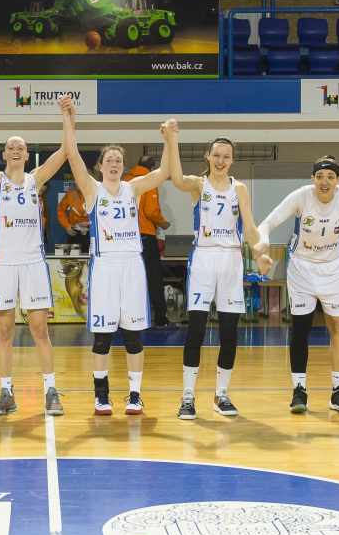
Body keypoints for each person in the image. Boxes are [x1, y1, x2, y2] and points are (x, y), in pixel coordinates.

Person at [256, 157, 339, 415]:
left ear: (338, 180)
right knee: (300, 329)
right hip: (302, 268)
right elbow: (267, 224)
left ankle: (338, 391)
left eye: (330, 177)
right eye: (319, 177)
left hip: (335, 268)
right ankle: (299, 390)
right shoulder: (301, 197)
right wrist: (263, 245)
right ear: (312, 179)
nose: (324, 182)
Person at [0, 90, 69, 417]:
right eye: (10, 147)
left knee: (39, 329)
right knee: (5, 331)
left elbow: (66, 151)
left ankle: (51, 390)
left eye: (20, 147)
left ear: (26, 155)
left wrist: (68, 116)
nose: (14, 150)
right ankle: (6, 392)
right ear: (4, 155)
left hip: (33, 263)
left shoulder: (35, 181)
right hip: (3, 264)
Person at [62, 109, 171, 416]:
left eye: (118, 160)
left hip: (132, 266)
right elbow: (72, 155)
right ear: (100, 166)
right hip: (105, 266)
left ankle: (135, 395)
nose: (114, 164)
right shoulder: (92, 190)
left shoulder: (132, 188)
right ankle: (101, 395)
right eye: (109, 160)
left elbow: (164, 172)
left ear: (123, 166)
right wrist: (69, 120)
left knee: (134, 336)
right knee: (103, 337)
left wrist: (170, 140)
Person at [164, 128, 269, 420]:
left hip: (231, 260)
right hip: (204, 259)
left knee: (229, 333)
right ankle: (187, 396)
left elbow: (250, 228)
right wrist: (172, 140)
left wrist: (259, 253)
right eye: (217, 155)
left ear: (232, 160)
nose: (221, 161)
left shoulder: (240, 189)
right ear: (208, 157)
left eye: (226, 156)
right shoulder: (199, 185)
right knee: (196, 330)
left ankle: (221, 395)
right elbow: (176, 178)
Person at [125, 153, 170, 326]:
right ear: (152, 168)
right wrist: (163, 223)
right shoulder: (148, 182)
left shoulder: (125, 180)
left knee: (130, 279)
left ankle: (129, 317)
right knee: (153, 277)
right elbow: (151, 211)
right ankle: (160, 317)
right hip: (145, 236)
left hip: (126, 238)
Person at [56, 183, 90, 253]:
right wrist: (67, 226)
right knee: (69, 257)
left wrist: (90, 226)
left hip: (91, 233)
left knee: (90, 256)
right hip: (74, 231)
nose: (78, 183)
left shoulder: (95, 193)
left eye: (80, 181)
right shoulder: (70, 194)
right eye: (76, 180)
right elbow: (60, 210)